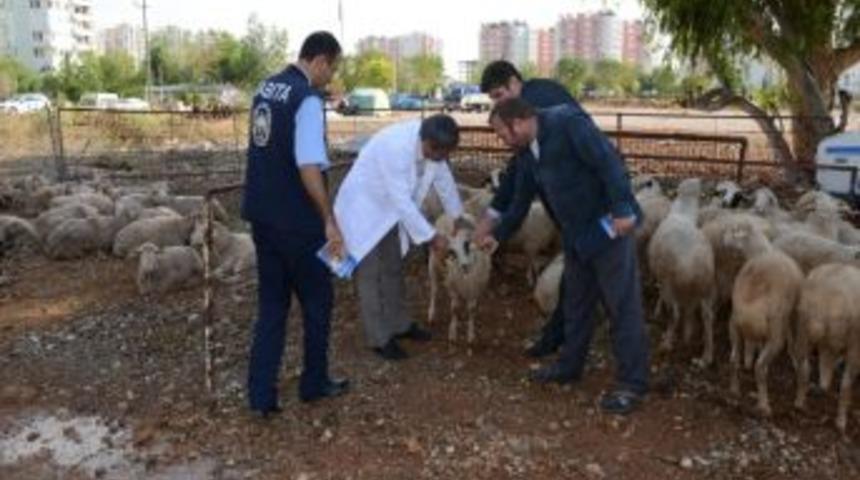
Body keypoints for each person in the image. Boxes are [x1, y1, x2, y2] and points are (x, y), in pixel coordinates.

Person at [475, 98, 650, 415]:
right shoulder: (527, 152)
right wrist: (496, 237)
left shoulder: (568, 124)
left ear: (519, 122)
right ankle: (570, 365)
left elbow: (608, 162)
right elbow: (519, 201)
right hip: (576, 234)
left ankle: (632, 383)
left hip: (609, 226)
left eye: (502, 133)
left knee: (621, 305)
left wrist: (623, 208)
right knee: (575, 302)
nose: (502, 140)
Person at [241, 31, 349, 417]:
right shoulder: (305, 100)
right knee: (318, 302)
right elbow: (308, 165)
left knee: (271, 306)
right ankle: (314, 383)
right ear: (319, 60)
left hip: (262, 216)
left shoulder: (266, 87)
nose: (330, 76)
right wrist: (328, 220)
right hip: (297, 223)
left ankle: (260, 396)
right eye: (331, 67)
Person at [475, 60, 586, 358]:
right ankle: (561, 344)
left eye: (499, 95)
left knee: (603, 286)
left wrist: (494, 221)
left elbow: (521, 171)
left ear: (514, 83)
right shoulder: (532, 104)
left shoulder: (538, 102)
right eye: (493, 99)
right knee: (577, 279)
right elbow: (520, 173)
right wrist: (495, 221)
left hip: (589, 208)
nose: (498, 105)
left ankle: (627, 374)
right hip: (572, 211)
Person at [334, 114, 466, 360]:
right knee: (370, 274)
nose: (441, 159)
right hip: (365, 209)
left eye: (445, 155)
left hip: (390, 212)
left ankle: (400, 324)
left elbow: (443, 179)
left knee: (394, 266)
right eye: (438, 154)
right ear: (426, 142)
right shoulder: (396, 148)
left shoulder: (434, 147)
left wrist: (456, 216)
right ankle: (379, 338)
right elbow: (403, 202)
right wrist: (432, 237)